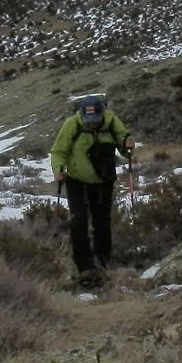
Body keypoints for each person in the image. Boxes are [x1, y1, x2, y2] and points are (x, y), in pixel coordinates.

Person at [49, 92, 132, 287]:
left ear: (101, 113)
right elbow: (58, 151)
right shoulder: (72, 125)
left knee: (102, 222)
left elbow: (123, 143)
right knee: (78, 221)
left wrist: (127, 142)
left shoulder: (111, 122)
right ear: (81, 115)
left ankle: (102, 263)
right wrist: (58, 169)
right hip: (77, 181)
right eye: (88, 120)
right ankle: (85, 267)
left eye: (95, 119)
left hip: (103, 181)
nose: (92, 123)